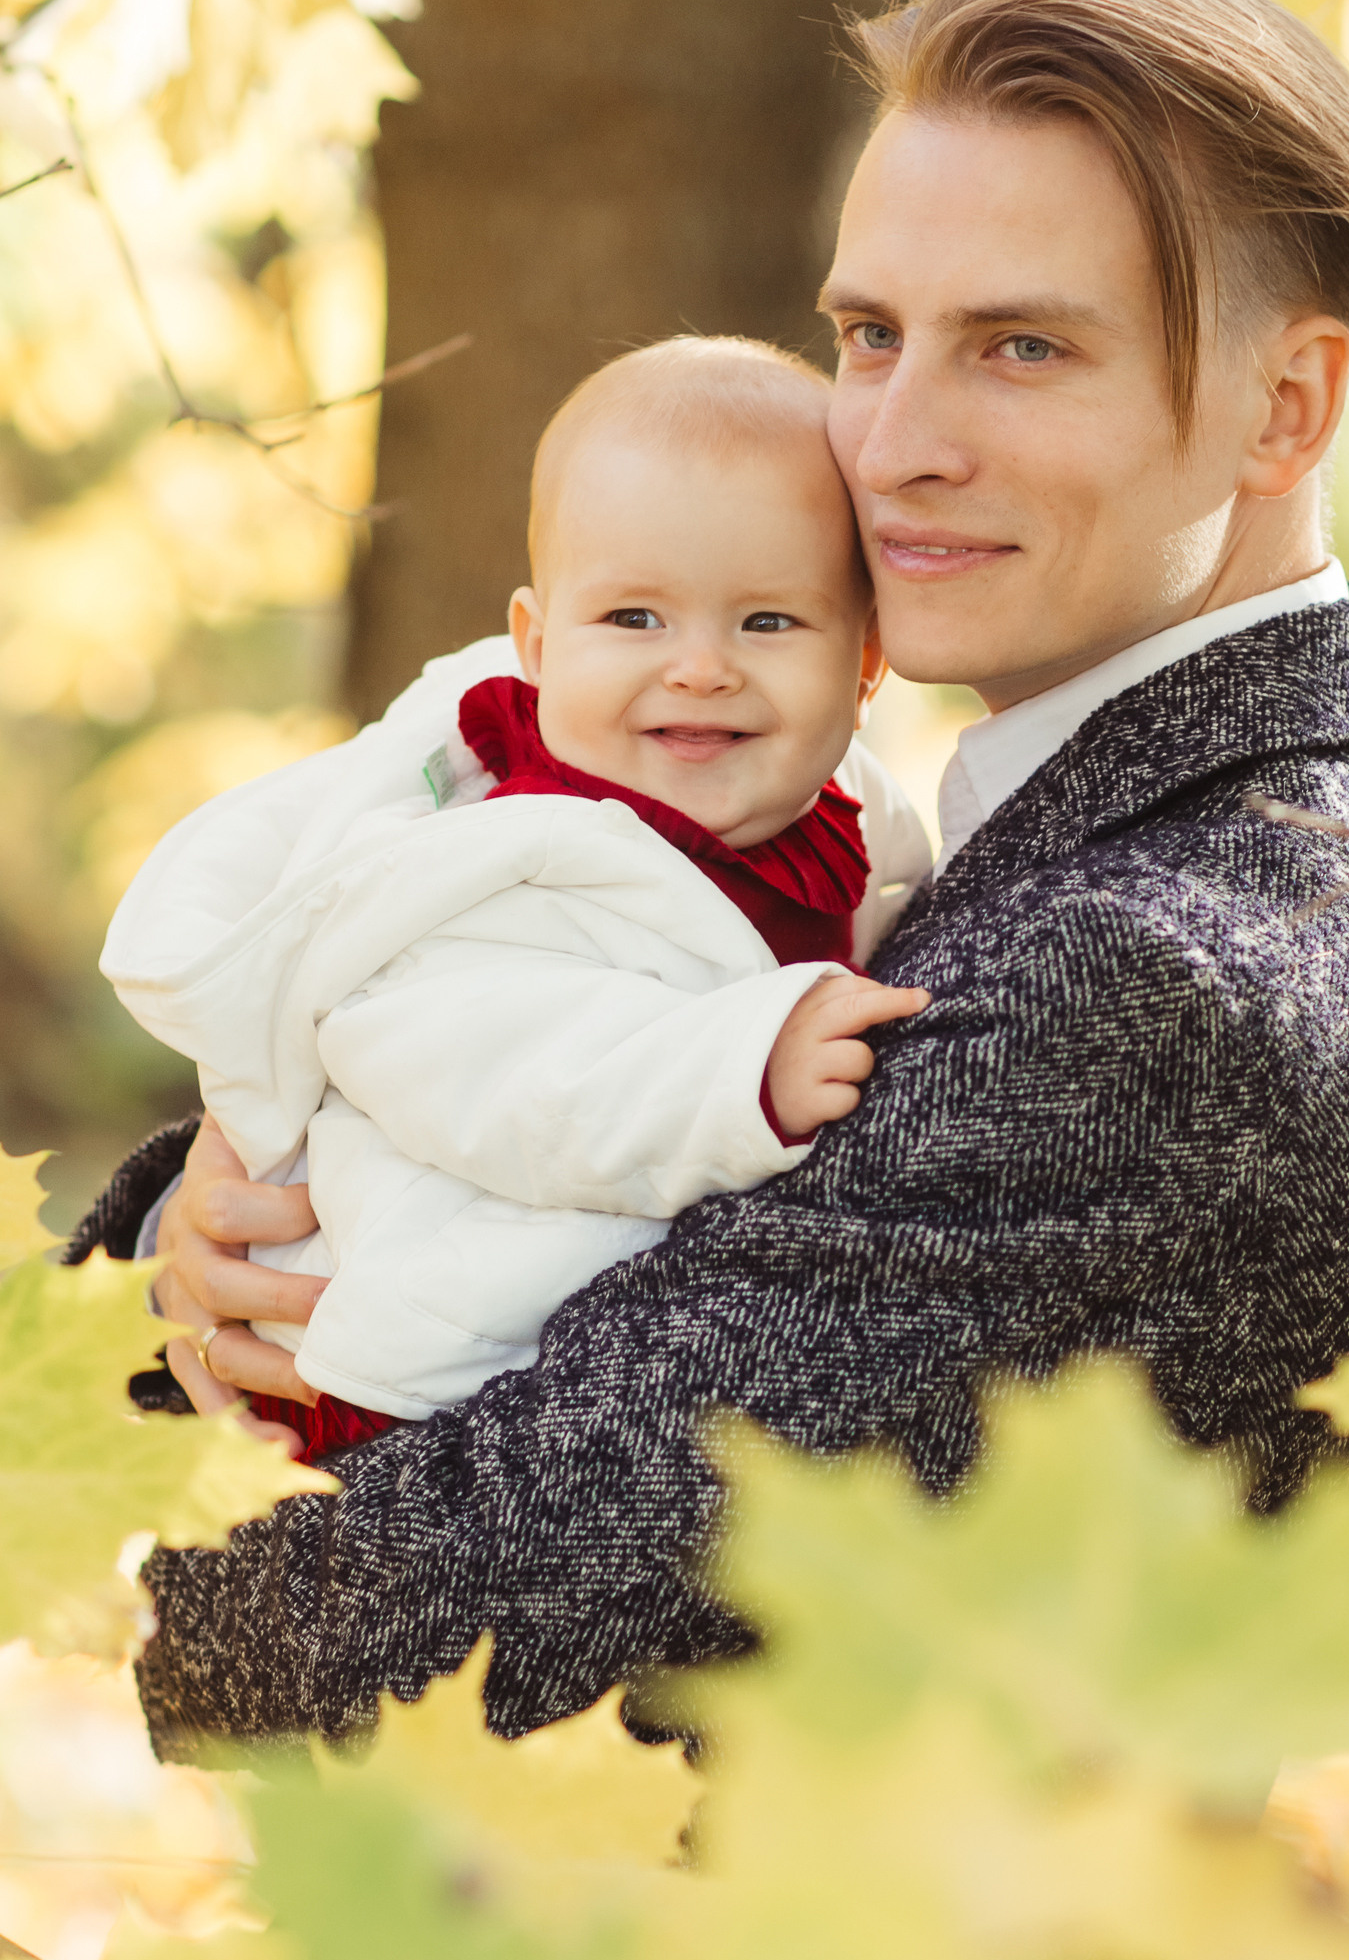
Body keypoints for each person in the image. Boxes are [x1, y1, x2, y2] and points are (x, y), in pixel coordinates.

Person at [70, 0, 1349, 1754]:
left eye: (1022, 347)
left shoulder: (1168, 956)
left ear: (1283, 405)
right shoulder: (1166, 819)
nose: (890, 446)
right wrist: (203, 1228)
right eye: (869, 334)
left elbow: (385, 1629)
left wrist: (134, 1474)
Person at [98, 337, 930, 1458]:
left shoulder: (849, 825)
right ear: (537, 648)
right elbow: (511, 1071)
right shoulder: (488, 861)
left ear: (865, 666)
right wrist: (740, 1069)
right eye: (634, 619)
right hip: (405, 1369)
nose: (701, 667)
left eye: (768, 622)